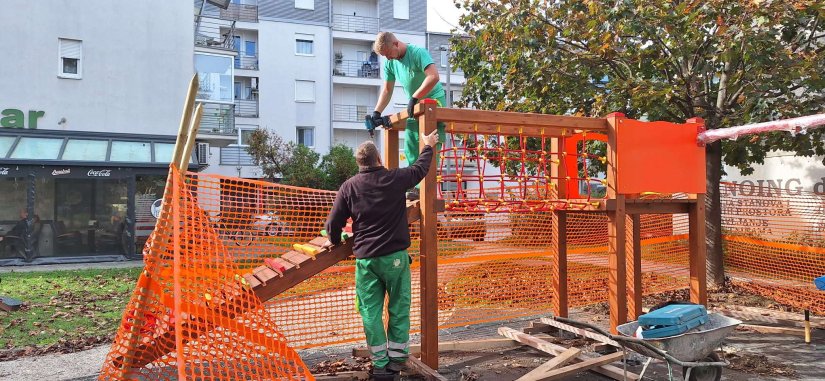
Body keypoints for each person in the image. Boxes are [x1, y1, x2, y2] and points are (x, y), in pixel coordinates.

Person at [323, 129, 439, 379]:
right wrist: (428, 145)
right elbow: (420, 169)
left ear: (359, 163)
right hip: (395, 259)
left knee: (370, 311)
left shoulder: (348, 187)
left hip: (366, 261)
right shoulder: (393, 179)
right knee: (399, 307)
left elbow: (333, 223)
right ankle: (397, 361)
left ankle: (380, 365)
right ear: (379, 160)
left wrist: (334, 241)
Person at [371, 31, 447, 200]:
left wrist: (415, 96)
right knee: (411, 145)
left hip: (434, 101)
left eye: (388, 54)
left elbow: (433, 76)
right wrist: (377, 112)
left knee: (430, 141)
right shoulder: (390, 63)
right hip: (416, 105)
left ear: (396, 44)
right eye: (384, 56)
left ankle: (424, 188)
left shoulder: (418, 53)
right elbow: (387, 90)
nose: (388, 59)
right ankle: (413, 186)